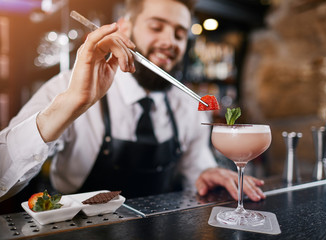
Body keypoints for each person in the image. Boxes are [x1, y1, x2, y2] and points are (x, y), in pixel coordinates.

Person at [0, 0, 266, 203]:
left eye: (180, 33)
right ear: (125, 27)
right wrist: (71, 103)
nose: (168, 42)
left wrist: (207, 173)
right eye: (156, 26)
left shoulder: (187, 105)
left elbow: (197, 164)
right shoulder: (65, 88)